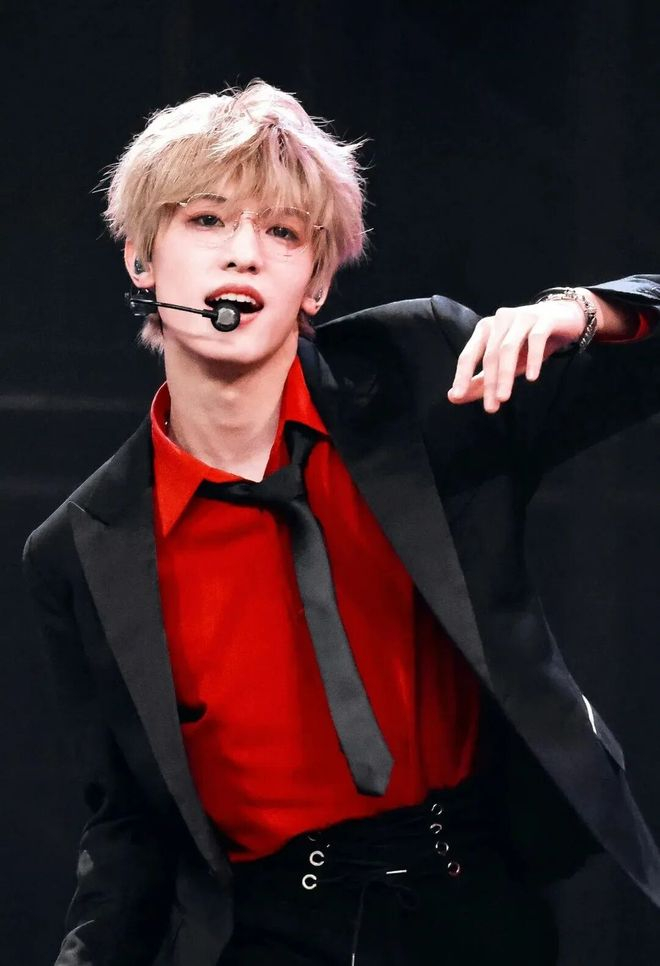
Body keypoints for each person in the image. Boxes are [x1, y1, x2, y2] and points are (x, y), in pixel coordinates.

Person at [22, 80, 660, 966]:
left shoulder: (425, 374)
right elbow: (129, 828)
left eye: (283, 233)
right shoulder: (83, 549)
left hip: (477, 906)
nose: (244, 254)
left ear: (316, 281)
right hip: (267, 932)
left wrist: (588, 311)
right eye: (206, 220)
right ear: (141, 261)